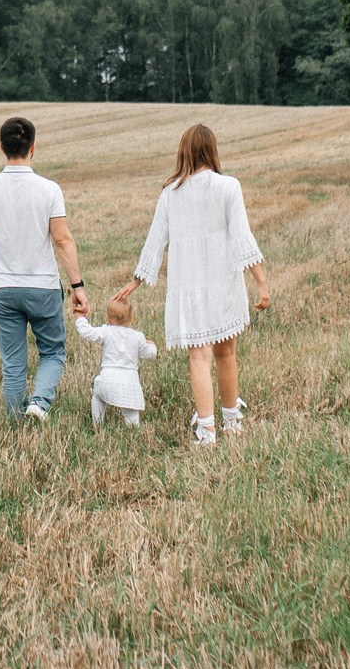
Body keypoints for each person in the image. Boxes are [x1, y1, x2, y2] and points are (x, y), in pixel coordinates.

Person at [105, 123, 269, 447]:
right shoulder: (229, 186)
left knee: (199, 358)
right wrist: (261, 283)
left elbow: (155, 241)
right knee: (226, 353)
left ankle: (207, 432)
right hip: (223, 282)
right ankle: (231, 423)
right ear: (212, 150)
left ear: (184, 151)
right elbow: (243, 238)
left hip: (188, 285)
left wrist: (136, 281)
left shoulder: (171, 193)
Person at [0, 115, 88, 423]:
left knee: (13, 362)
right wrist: (77, 286)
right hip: (43, 287)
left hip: (4, 288)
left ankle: (15, 421)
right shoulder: (49, 190)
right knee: (52, 353)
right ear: (33, 147)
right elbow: (62, 240)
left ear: (1, 147)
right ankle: (39, 403)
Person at [70, 287, 158, 429]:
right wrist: (152, 346)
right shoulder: (138, 337)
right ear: (131, 318)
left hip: (107, 377)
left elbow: (87, 333)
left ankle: (97, 423)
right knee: (130, 411)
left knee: (98, 396)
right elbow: (149, 355)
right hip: (129, 381)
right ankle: (133, 428)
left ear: (108, 318)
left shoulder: (106, 331)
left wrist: (80, 319)